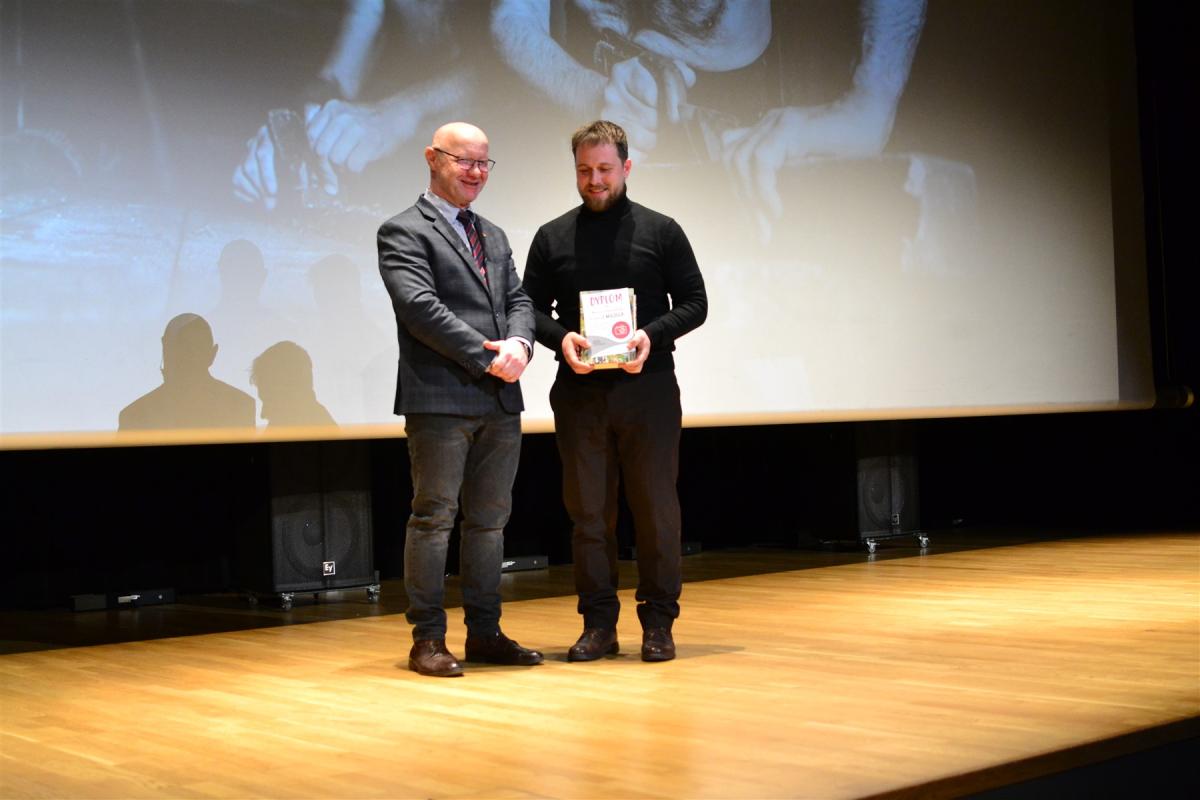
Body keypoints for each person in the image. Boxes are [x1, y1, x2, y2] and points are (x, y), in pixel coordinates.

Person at [491, 0, 926, 240]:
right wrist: (587, 91)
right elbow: (512, 16)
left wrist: (870, 102)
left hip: (747, 88)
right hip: (590, 78)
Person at [521, 120, 707, 662]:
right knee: (588, 516)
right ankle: (598, 624)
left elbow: (695, 303)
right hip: (580, 394)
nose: (594, 180)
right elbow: (526, 308)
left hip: (648, 390)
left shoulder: (662, 230)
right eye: (584, 170)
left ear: (626, 167)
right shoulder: (552, 236)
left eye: (604, 169)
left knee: (656, 511)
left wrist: (651, 335)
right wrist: (562, 339)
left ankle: (659, 622)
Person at [377, 121, 541, 677]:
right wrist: (487, 354)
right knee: (434, 519)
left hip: (500, 399)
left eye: (483, 163)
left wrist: (521, 344)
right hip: (440, 399)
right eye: (463, 160)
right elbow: (419, 308)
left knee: (490, 522)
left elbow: (519, 299)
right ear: (433, 158)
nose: (475, 172)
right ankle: (427, 639)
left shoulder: (493, 234)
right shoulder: (402, 231)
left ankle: (485, 633)